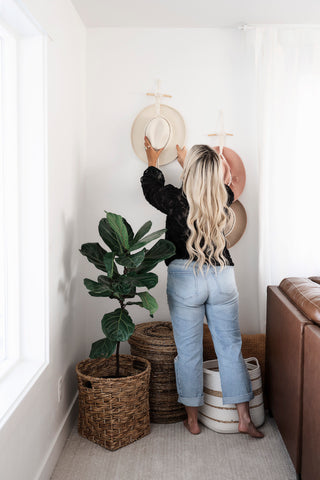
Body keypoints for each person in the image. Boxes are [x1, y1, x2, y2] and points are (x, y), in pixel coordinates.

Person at [140, 136, 264, 439]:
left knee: (189, 353)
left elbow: (150, 187)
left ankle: (192, 420)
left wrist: (153, 160)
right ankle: (244, 418)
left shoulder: (173, 198)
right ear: (213, 175)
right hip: (222, 278)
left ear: (190, 172)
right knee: (230, 350)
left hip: (186, 279)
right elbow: (225, 181)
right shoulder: (223, 195)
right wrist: (194, 163)